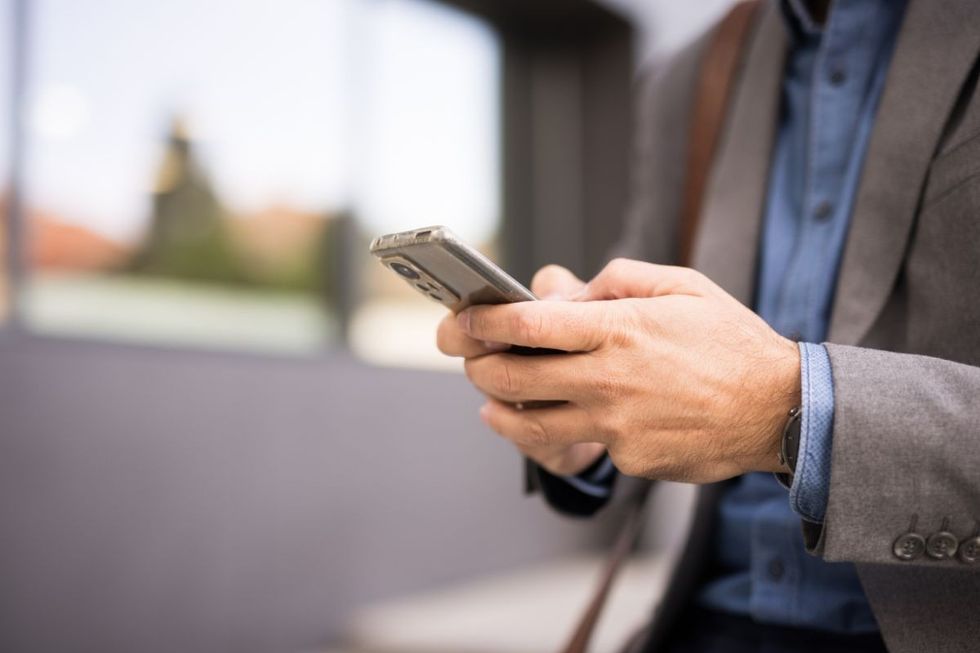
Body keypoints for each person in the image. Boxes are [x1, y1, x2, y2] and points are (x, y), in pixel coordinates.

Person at [437, 0, 980, 651]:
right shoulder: (691, 74)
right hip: (703, 621)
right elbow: (641, 314)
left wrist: (789, 406)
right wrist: (580, 412)